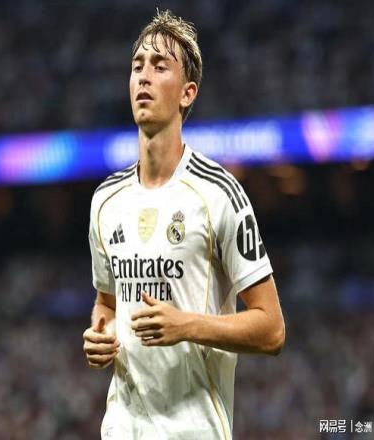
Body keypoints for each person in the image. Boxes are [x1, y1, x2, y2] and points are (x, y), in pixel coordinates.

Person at [83, 9, 285, 440]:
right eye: (137, 66)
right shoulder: (106, 200)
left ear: (187, 93)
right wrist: (101, 333)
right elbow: (107, 304)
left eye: (160, 67)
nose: (144, 76)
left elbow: (272, 329)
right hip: (122, 427)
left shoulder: (219, 194)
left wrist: (187, 326)